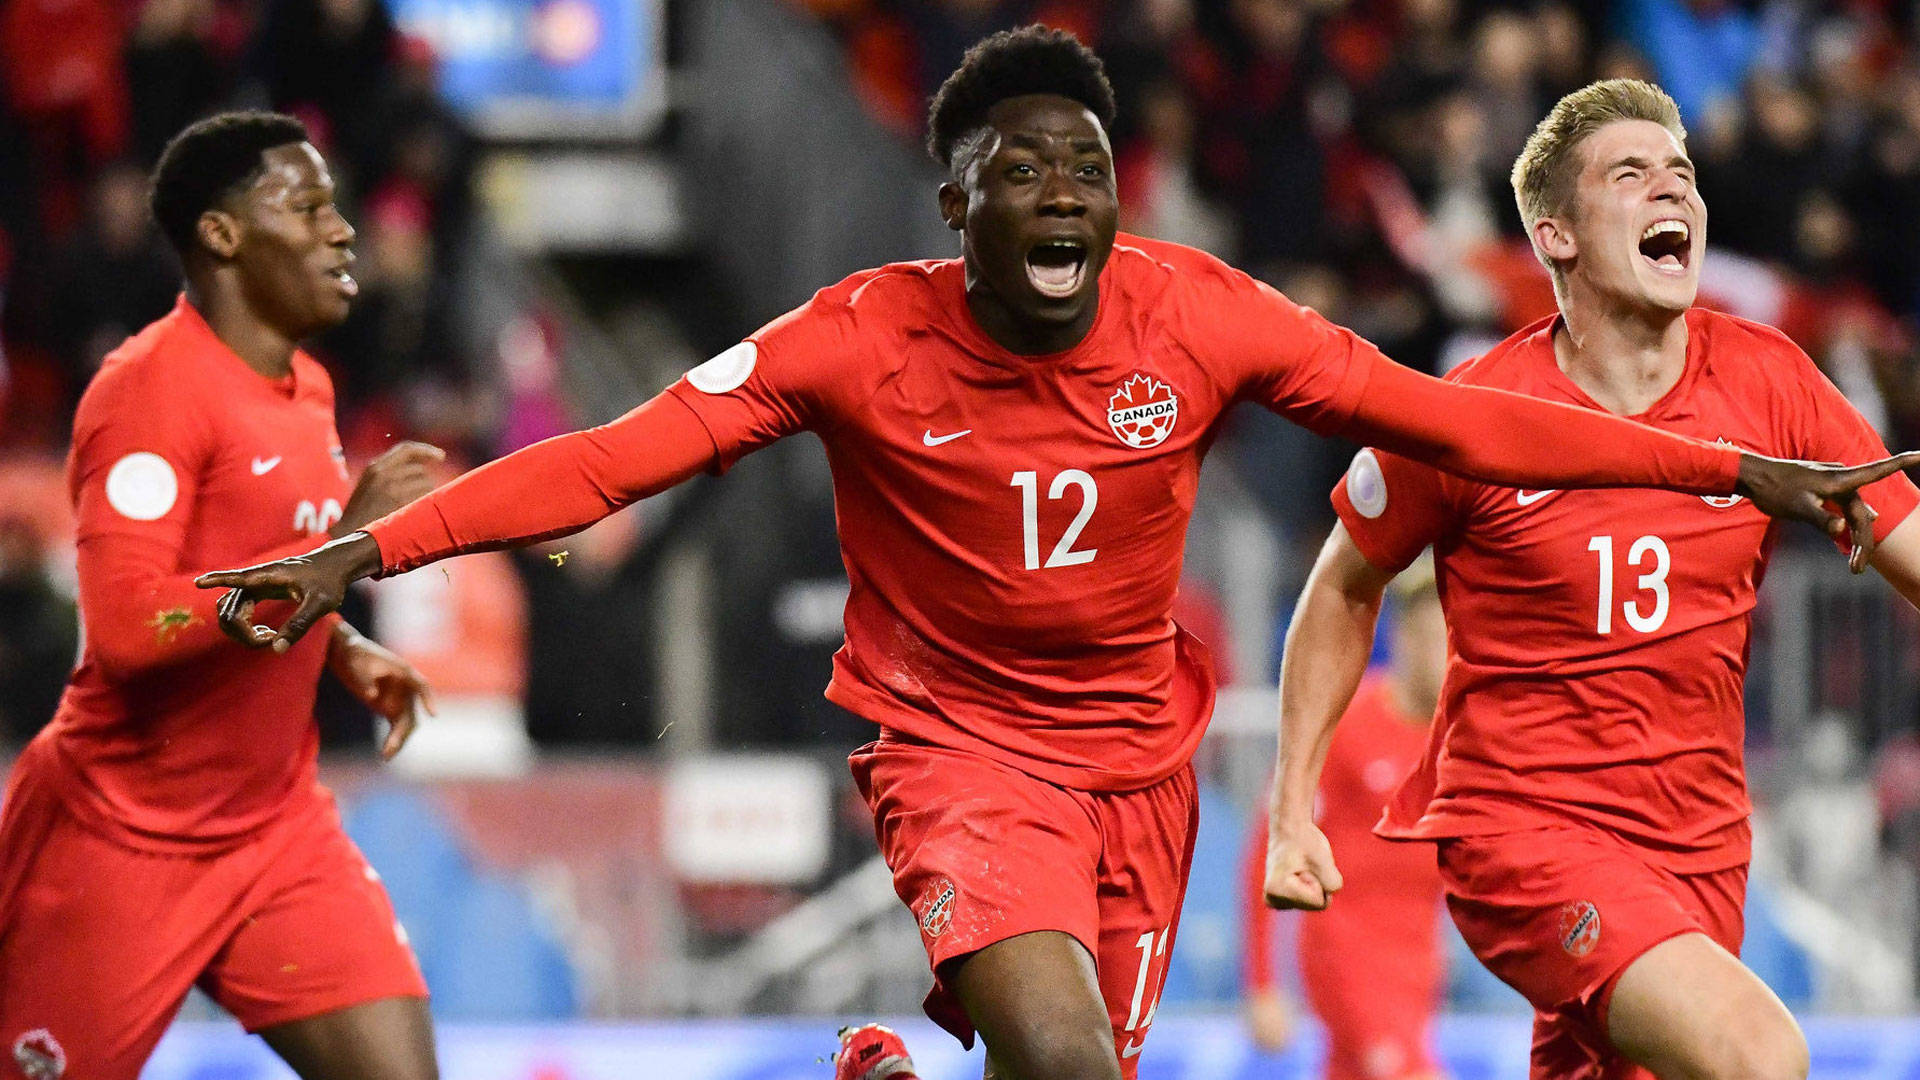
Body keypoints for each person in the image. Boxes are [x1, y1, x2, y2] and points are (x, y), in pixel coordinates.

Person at [201, 36, 1911, 1080]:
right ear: (954, 204)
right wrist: (371, 548)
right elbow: (602, 462)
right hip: (959, 752)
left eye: (1086, 167)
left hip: (1140, 774)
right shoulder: (857, 339)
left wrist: (1730, 467)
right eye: (1018, 170)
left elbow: (1465, 422)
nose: (1063, 194)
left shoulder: (1200, 313)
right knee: (1067, 1061)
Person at [1262, 79, 1920, 1080]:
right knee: (1757, 1053)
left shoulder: (1771, 382)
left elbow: (1908, 538)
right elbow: (1341, 585)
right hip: (1525, 833)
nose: (1673, 191)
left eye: (1682, 174)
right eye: (1631, 174)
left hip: (1699, 845)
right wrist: (1291, 807)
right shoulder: (1477, 413)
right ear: (1556, 236)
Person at [0, 112, 444, 1080]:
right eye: (308, 207)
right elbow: (129, 625)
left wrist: (341, 644)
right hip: (118, 842)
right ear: (223, 234)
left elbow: (251, 563)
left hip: (276, 833)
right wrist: (338, 554)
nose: (343, 230)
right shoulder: (147, 392)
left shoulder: (309, 388)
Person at [1242, 558, 1447, 1080]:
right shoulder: (1348, 725)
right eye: (1433, 639)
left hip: (1418, 963)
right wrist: (1263, 983)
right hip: (1350, 956)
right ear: (1403, 639)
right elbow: (1269, 844)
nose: (1447, 656)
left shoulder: (1456, 739)